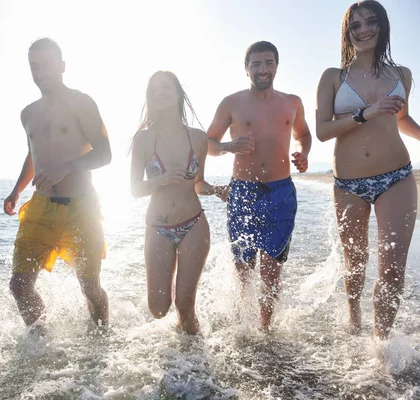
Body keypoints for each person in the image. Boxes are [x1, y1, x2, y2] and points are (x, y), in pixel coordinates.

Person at [316, 0, 420, 340]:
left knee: (391, 269)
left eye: (370, 22)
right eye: (355, 25)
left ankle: (381, 348)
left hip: (397, 177)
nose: (363, 30)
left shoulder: (402, 75)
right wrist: (365, 112)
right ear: (347, 33)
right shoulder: (334, 77)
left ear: (383, 25)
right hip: (348, 183)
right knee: (355, 265)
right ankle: (354, 319)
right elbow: (323, 131)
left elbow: (400, 119)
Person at [3, 38, 111, 329]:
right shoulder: (28, 114)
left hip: (82, 208)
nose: (41, 72)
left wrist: (67, 167)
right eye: (34, 67)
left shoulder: (81, 102)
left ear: (62, 66)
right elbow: (33, 155)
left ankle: (101, 338)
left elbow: (105, 153)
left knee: (90, 287)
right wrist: (17, 190)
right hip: (41, 208)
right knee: (19, 285)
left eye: (47, 65)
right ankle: (41, 342)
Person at [207, 41, 312, 331]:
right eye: (256, 64)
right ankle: (243, 326)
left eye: (268, 63)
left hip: (281, 192)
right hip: (243, 192)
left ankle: (264, 331)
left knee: (271, 273)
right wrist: (229, 145)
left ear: (277, 65)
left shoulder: (292, 102)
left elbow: (303, 134)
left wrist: (303, 154)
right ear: (246, 69)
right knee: (243, 270)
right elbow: (207, 143)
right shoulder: (232, 102)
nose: (262, 69)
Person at [130, 71, 221, 334]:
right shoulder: (144, 139)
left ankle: (193, 357)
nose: (160, 92)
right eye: (154, 89)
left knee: (184, 304)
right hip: (157, 227)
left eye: (166, 87)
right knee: (158, 309)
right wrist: (161, 180)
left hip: (193, 224)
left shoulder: (198, 137)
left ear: (178, 92)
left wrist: (216, 190)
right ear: (150, 98)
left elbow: (198, 182)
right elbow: (135, 189)